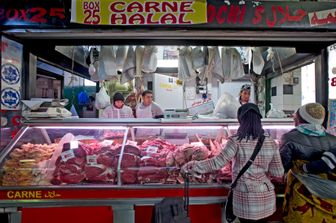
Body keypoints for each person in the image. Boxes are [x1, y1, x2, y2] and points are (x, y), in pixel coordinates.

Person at [182, 103, 284, 223]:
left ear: (241, 120)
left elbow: (217, 163)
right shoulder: (271, 142)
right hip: (265, 198)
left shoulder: (236, 141)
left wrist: (193, 166)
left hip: (245, 198)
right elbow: (278, 172)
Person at [280, 103, 336, 223]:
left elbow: (283, 166)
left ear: (300, 118)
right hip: (328, 194)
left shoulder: (289, 138)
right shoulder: (333, 140)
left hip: (301, 191)